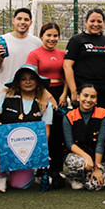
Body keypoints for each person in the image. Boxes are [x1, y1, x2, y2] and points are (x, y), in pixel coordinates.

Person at [0, 64, 53, 192]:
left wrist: (41, 153)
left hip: (26, 150)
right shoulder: (5, 97)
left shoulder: (45, 104)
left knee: (19, 185)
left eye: (31, 78)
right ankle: (0, 176)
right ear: (18, 82)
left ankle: (20, 171)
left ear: (37, 81)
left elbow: (45, 131)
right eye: (23, 79)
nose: (28, 82)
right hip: (4, 145)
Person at [27, 22, 69, 188]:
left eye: (55, 35)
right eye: (48, 35)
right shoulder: (34, 54)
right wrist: (48, 96)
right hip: (42, 95)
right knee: (43, 134)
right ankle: (40, 170)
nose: (52, 38)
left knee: (58, 134)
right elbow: (32, 78)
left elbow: (67, 76)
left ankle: (56, 170)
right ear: (42, 36)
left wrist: (64, 94)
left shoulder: (63, 53)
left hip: (60, 96)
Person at [64, 8, 105, 110]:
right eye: (92, 21)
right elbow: (67, 66)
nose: (95, 24)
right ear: (85, 22)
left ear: (104, 23)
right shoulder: (76, 40)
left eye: (99, 21)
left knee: (102, 119)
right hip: (83, 91)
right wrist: (74, 91)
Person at [62, 84, 105, 191]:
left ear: (96, 99)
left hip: (96, 157)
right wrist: (86, 157)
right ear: (78, 97)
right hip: (78, 157)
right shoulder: (69, 116)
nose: (88, 100)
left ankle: (89, 174)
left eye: (93, 97)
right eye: (85, 95)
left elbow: (100, 143)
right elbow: (69, 144)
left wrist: (97, 167)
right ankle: (76, 177)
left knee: (95, 186)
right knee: (78, 163)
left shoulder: (103, 114)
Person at [0, 7, 42, 96]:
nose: (22, 22)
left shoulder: (36, 42)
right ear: (13, 20)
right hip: (6, 92)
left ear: (31, 23)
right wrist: (0, 60)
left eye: (26, 19)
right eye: (19, 19)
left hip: (30, 92)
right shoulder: (0, 41)